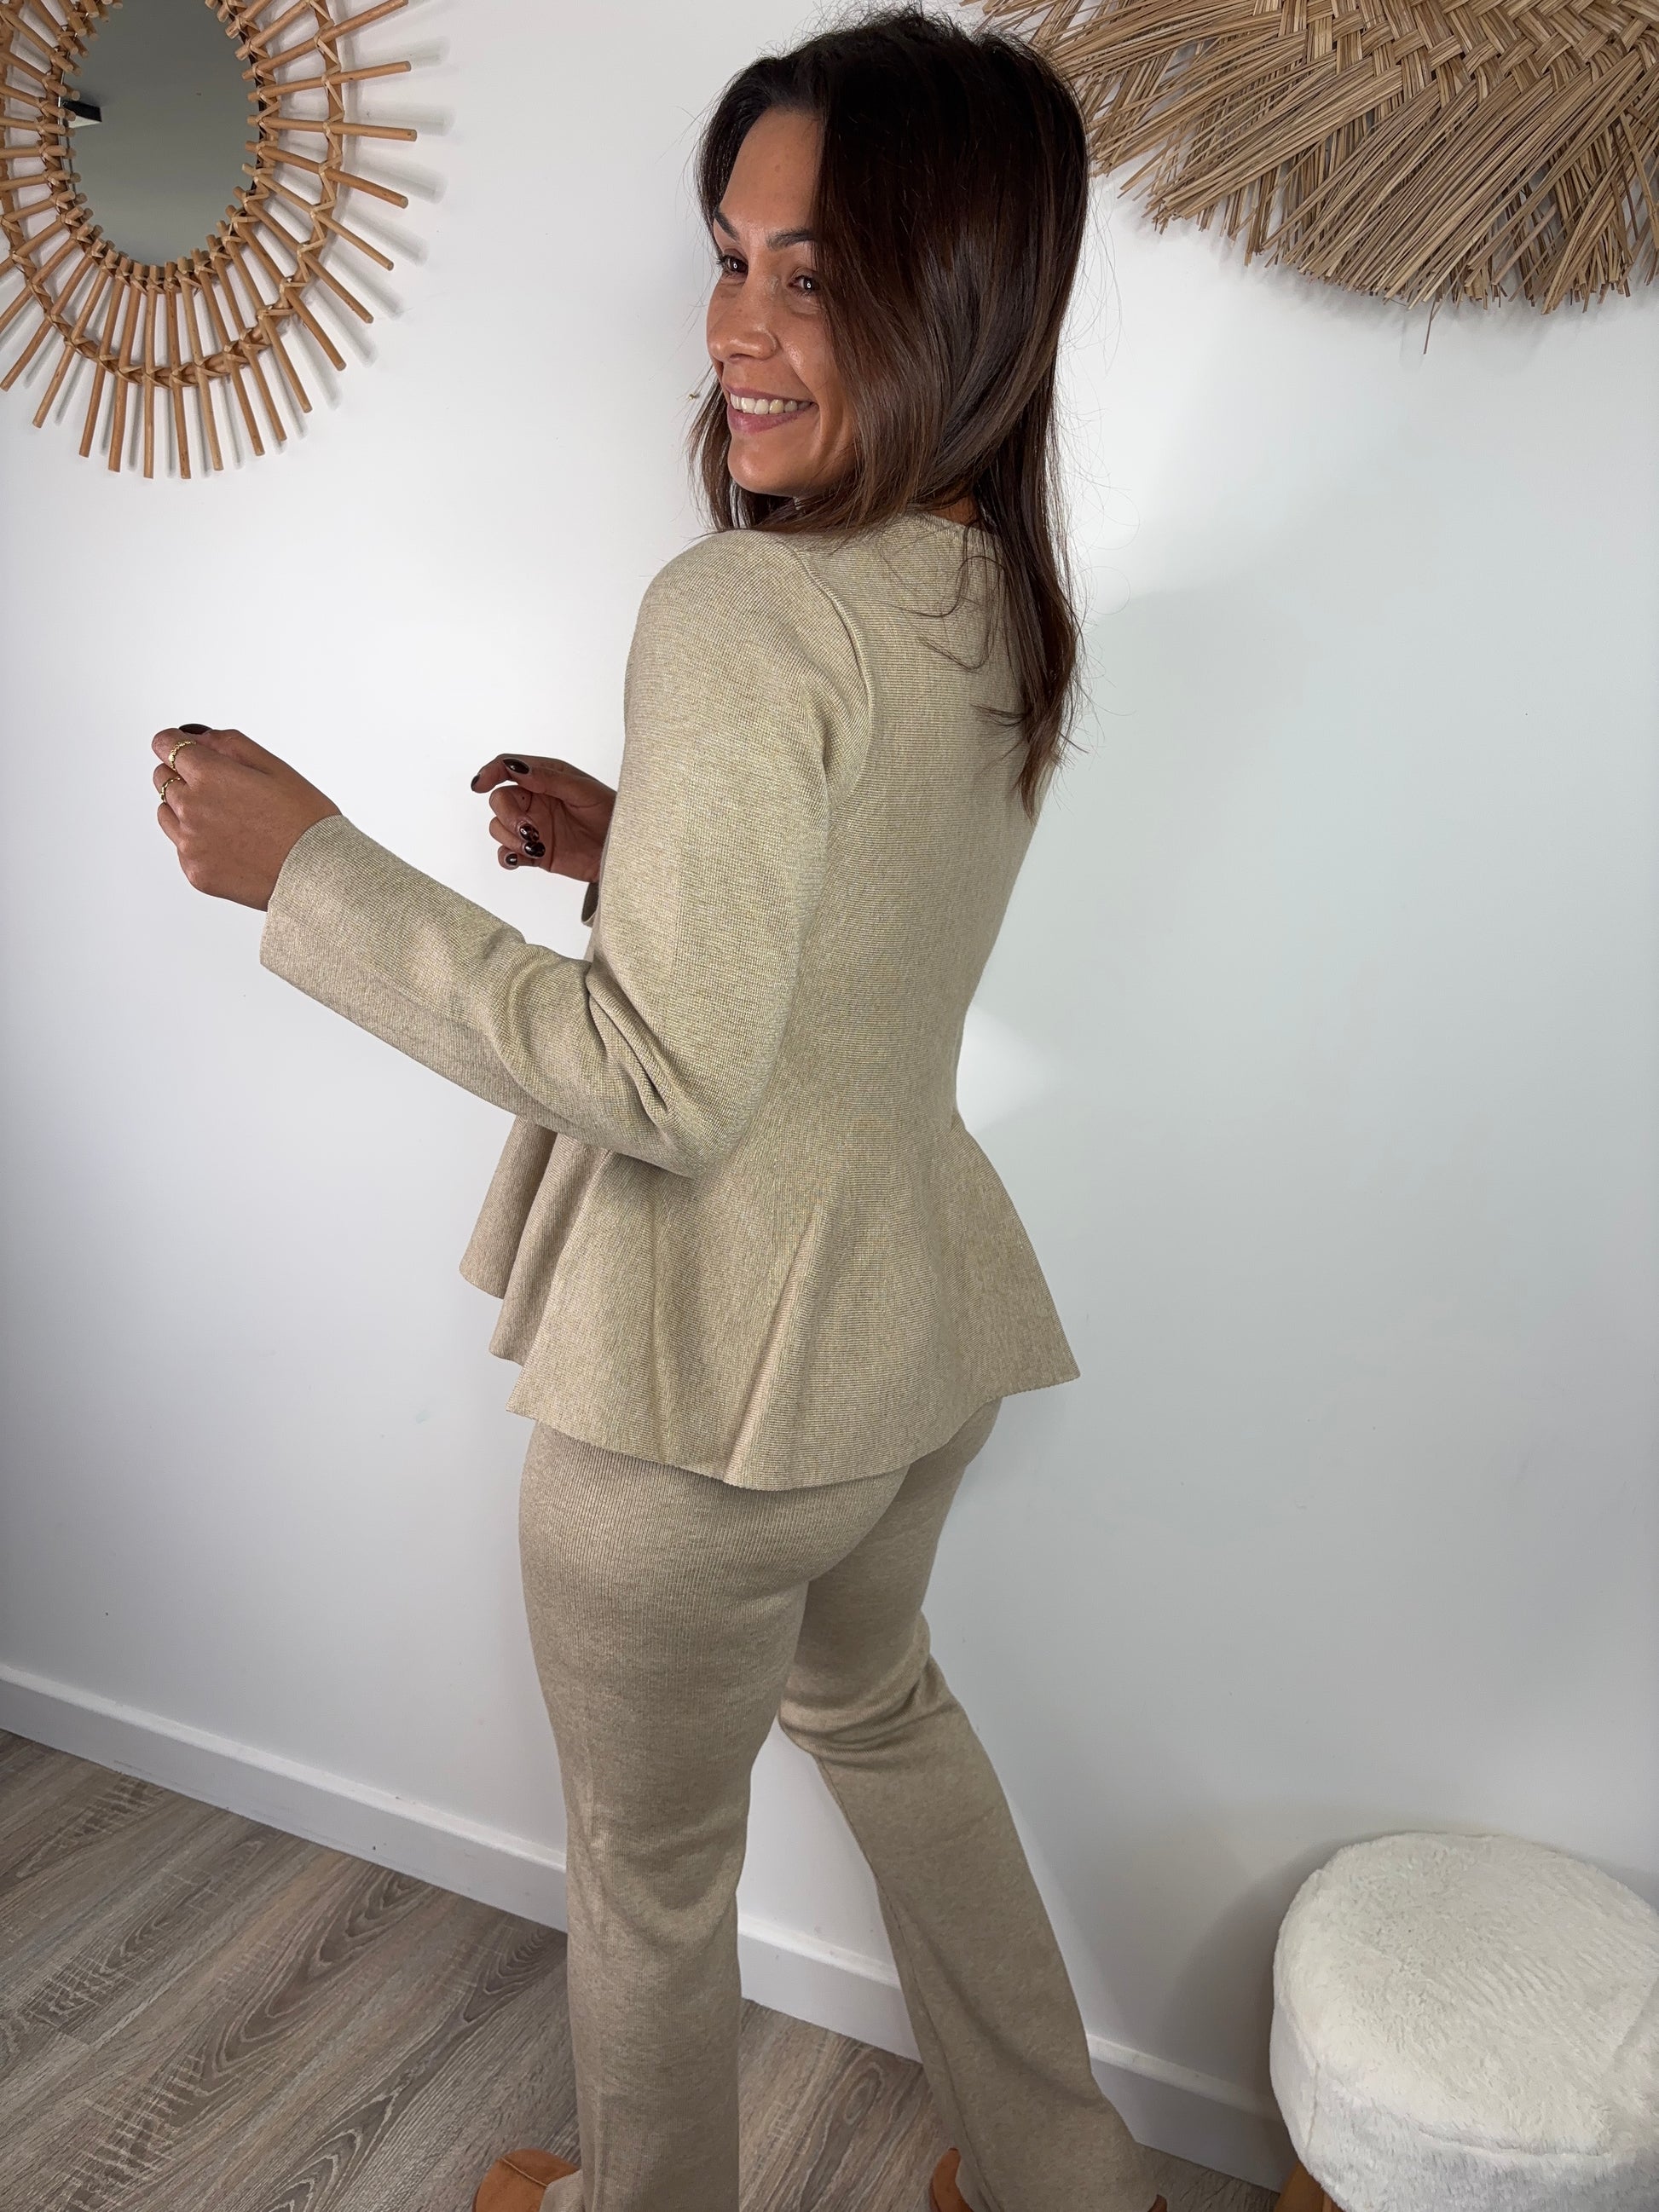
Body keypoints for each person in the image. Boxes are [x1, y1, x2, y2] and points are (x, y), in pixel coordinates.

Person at [148, 9, 1167, 2211]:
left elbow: (665, 1082)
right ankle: (1074, 2182)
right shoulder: (996, 588)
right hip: (903, 1342)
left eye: (816, 273)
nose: (735, 328)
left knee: (651, 1865)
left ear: (964, 296)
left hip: (696, 1395)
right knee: (887, 1714)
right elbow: (860, 916)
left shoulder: (743, 607)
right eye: (730, 256)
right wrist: (647, 849)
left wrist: (310, 869)